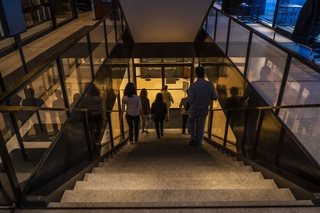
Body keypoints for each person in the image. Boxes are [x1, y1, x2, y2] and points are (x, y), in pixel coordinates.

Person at [187, 66, 218, 146]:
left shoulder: (193, 86)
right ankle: (199, 142)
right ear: (204, 74)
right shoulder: (210, 85)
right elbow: (215, 97)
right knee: (201, 125)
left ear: (196, 74)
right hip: (204, 108)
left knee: (192, 122)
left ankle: (193, 138)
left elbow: (190, 99)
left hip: (194, 108)